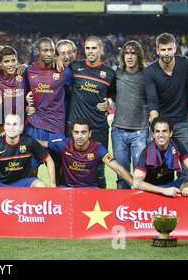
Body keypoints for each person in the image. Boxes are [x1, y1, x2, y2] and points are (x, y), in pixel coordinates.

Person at [66, 36, 116, 188]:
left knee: (99, 168)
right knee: (72, 167)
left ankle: (101, 199)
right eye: (87, 48)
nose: (90, 51)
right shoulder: (75, 67)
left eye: (94, 48)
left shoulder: (109, 73)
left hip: (98, 127)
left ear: (101, 49)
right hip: (74, 128)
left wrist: (109, 103)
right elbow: (58, 65)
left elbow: (114, 95)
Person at [144, 32, 188, 176]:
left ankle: (184, 197)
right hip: (161, 125)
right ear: (157, 50)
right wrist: (156, 129)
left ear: (175, 48)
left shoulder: (187, 64)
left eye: (169, 49)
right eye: (163, 50)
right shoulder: (150, 71)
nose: (166, 53)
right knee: (157, 170)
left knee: (185, 170)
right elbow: (152, 102)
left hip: (181, 124)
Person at [24, 37, 73, 178]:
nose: (49, 54)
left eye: (52, 50)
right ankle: (32, 199)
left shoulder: (65, 72)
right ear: (37, 51)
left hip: (56, 126)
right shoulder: (29, 70)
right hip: (35, 126)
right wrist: (28, 105)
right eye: (45, 50)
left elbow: (73, 94)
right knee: (32, 168)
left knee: (59, 169)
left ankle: (58, 198)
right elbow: (24, 93)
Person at [39, 118, 133, 188]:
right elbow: (43, 144)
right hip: (67, 188)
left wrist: (135, 183)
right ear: (72, 133)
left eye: (83, 132)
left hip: (91, 188)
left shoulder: (97, 148)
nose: (79, 136)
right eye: (76, 132)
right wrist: (26, 139)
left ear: (90, 133)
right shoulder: (64, 144)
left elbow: (118, 168)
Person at [110, 41, 149, 189]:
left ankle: (140, 209)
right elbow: (112, 94)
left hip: (140, 131)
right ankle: (123, 210)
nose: (130, 56)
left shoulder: (146, 75)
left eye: (133, 53)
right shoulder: (117, 73)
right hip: (118, 131)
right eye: (127, 53)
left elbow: (154, 96)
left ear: (139, 56)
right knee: (121, 177)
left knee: (140, 177)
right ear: (123, 56)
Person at [0, 113, 55, 188]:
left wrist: (53, 185)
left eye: (15, 124)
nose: (11, 127)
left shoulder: (29, 141)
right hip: (1, 183)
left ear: (21, 127)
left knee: (40, 185)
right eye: (8, 124)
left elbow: (49, 160)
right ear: (4, 126)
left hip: (24, 182)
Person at [133, 116, 188, 197]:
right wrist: (163, 191)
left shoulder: (176, 145)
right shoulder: (146, 152)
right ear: (153, 134)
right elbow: (136, 183)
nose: (161, 135)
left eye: (164, 131)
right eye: (157, 131)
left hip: (171, 185)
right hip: (153, 190)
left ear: (171, 133)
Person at [0, 46, 26, 121]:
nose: (11, 64)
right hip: (0, 126)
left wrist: (24, 66)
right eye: (6, 61)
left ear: (17, 61)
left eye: (13, 60)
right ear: (0, 63)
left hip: (21, 125)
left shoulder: (23, 73)